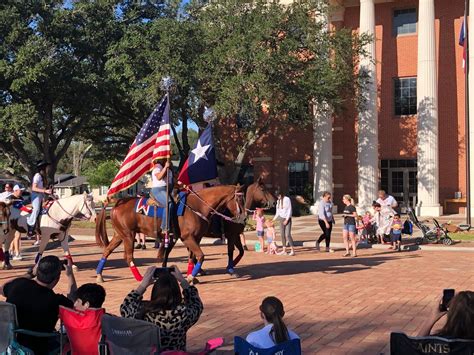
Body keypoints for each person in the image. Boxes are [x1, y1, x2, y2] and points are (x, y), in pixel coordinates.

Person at [1, 256, 76, 354]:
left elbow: (2, 288)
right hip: (38, 348)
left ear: (38, 271)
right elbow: (74, 303)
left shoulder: (17, 285)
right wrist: (70, 275)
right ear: (57, 279)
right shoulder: (55, 300)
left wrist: (31, 274)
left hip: (10, 344)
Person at [120, 266, 203, 352]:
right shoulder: (184, 313)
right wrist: (182, 280)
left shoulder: (144, 311)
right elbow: (197, 304)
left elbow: (126, 307)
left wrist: (143, 284)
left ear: (155, 291)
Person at [60, 283, 106, 355]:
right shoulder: (108, 320)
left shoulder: (69, 318)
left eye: (77, 301)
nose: (74, 304)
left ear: (86, 304)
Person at [27, 161, 52, 243]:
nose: (47, 169)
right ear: (43, 169)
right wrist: (45, 191)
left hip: (41, 196)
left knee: (44, 210)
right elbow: (33, 188)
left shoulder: (43, 177)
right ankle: (30, 226)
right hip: (36, 196)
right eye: (46, 168)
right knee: (37, 209)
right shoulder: (37, 176)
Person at [151, 159, 174, 231]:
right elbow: (159, 177)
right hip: (158, 189)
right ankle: (165, 227)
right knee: (168, 203)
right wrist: (165, 167)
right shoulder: (157, 167)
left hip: (169, 189)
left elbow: (171, 180)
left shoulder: (169, 168)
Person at [272, 190, 295, 256]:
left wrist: (287, 219)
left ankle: (292, 250)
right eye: (277, 196)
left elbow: (289, 210)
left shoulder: (287, 199)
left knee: (287, 234)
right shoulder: (278, 201)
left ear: (281, 194)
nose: (278, 197)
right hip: (281, 218)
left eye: (279, 195)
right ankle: (284, 250)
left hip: (287, 218)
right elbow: (278, 212)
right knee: (282, 234)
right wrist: (273, 219)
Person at [7, 185, 25, 260]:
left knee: (15, 237)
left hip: (18, 219)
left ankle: (10, 251)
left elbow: (22, 206)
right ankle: (17, 254)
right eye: (20, 190)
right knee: (17, 236)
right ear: (15, 190)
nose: (21, 192)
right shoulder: (10, 198)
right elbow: (21, 207)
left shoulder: (20, 198)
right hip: (11, 220)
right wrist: (30, 209)